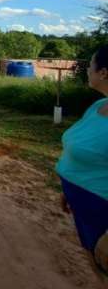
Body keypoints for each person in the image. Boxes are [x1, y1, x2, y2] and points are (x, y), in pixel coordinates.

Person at [57, 45, 108, 279]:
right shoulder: (98, 107)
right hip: (83, 205)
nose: (87, 70)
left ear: (103, 73)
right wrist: (70, 188)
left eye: (90, 65)